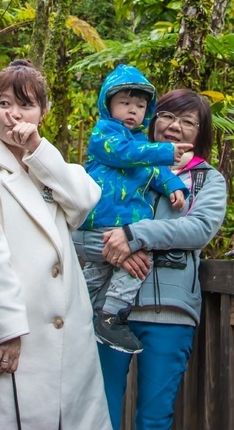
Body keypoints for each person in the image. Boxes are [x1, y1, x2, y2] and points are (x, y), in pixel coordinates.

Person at [0, 59, 112, 430]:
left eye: (26, 105)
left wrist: (38, 151)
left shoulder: (49, 168)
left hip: (68, 335)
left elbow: (85, 201)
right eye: (4, 103)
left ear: (43, 113)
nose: (13, 115)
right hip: (17, 334)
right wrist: (7, 330)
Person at [87, 89, 227, 430]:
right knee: (101, 411)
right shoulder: (115, 166)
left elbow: (198, 229)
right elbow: (78, 228)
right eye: (166, 116)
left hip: (170, 312)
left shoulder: (208, 180)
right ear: (152, 120)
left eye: (188, 121)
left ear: (200, 133)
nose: (174, 126)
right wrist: (116, 250)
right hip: (110, 312)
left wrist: (135, 235)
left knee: (154, 417)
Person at [74, 65, 191, 354]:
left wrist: (174, 186)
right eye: (125, 103)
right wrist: (165, 152)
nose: (132, 111)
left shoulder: (144, 145)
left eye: (140, 106)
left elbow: (156, 170)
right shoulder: (104, 135)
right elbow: (128, 156)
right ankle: (107, 315)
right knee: (135, 261)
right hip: (101, 221)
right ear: (108, 104)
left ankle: (89, 312)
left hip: (126, 226)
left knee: (101, 273)